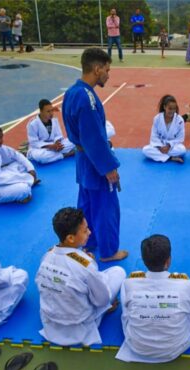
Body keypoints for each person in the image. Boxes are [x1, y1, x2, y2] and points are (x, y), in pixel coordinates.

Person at [62, 48, 128, 262]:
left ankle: (88, 242)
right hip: (94, 162)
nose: (108, 75)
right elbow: (94, 138)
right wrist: (109, 167)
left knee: (87, 205)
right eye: (107, 70)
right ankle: (109, 252)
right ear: (97, 68)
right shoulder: (87, 97)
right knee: (106, 208)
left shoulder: (72, 92)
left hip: (83, 161)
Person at [36, 207, 125, 346]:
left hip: (51, 323)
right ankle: (104, 312)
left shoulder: (46, 257)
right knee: (118, 272)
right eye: (85, 231)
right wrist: (90, 264)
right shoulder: (85, 264)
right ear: (70, 238)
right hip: (80, 324)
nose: (89, 232)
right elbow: (101, 300)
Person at [116, 234, 190, 363]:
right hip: (174, 347)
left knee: (125, 288)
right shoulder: (184, 282)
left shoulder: (131, 281)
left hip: (137, 346)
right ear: (168, 260)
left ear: (144, 261)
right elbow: (189, 310)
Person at [26, 99, 76, 164]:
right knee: (42, 157)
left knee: (73, 141)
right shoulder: (32, 124)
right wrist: (50, 146)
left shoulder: (54, 120)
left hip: (54, 146)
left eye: (52, 110)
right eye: (48, 111)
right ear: (41, 111)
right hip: (40, 149)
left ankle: (55, 155)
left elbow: (58, 135)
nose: (51, 113)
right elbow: (34, 143)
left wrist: (57, 144)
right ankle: (65, 155)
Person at [142, 95, 187, 163]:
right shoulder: (157, 118)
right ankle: (170, 158)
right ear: (164, 107)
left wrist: (169, 146)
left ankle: (160, 156)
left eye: (174, 109)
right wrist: (160, 147)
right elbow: (154, 136)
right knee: (145, 150)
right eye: (170, 108)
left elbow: (180, 138)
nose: (172, 111)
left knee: (182, 150)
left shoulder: (179, 120)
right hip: (160, 146)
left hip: (172, 147)